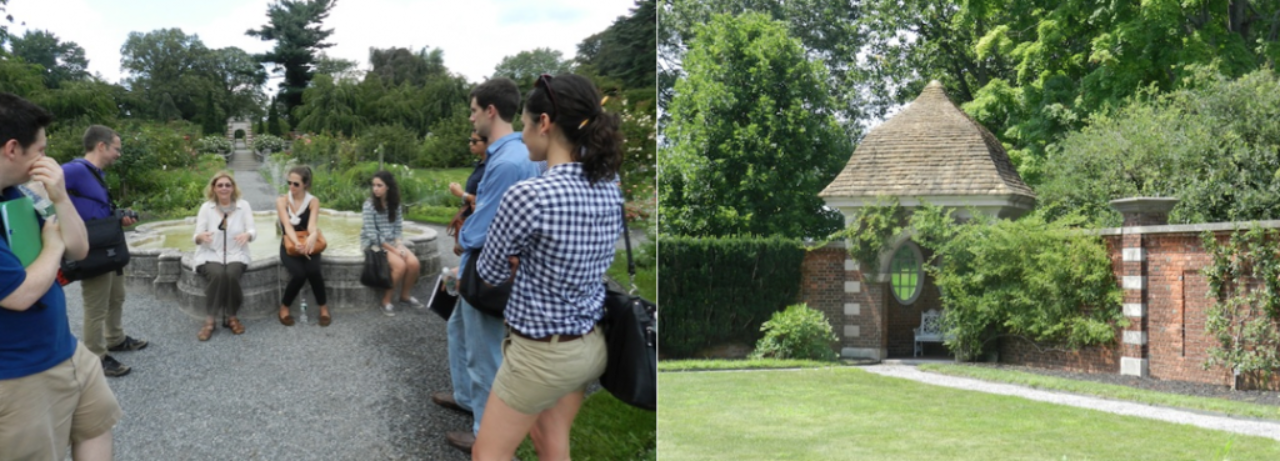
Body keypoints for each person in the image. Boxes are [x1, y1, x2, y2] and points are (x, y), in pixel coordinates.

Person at [471, 74, 625, 461]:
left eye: (524, 125)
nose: (522, 136)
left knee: (487, 455)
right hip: (590, 344)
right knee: (551, 443)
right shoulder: (610, 184)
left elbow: (488, 273)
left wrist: (516, 259)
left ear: (544, 123)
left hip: (542, 355)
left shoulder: (529, 196)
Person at [0, 92, 119, 461]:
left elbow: (80, 249)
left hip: (64, 350)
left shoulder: (17, 193)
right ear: (12, 148)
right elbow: (17, 295)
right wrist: (52, 246)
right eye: (41, 149)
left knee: (98, 423)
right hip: (19, 374)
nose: (46, 158)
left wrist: (61, 198)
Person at [436, 77, 543, 454]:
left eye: (473, 111)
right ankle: (466, 397)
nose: (470, 119)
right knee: (459, 329)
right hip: (486, 264)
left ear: (491, 111)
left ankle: (486, 434)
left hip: (488, 268)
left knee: (485, 355)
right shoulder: (511, 156)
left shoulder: (507, 162)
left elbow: (483, 228)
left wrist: (463, 243)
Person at [63, 124, 147, 378]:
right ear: (101, 146)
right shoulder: (74, 170)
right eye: (116, 149)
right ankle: (95, 356)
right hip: (92, 249)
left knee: (116, 296)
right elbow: (39, 189)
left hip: (107, 246)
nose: (118, 154)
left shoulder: (93, 173)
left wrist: (116, 219)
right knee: (96, 306)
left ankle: (115, 338)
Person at [192, 171, 256, 341]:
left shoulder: (244, 206)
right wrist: (201, 237)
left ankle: (232, 316)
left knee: (231, 274)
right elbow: (196, 235)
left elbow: (252, 230)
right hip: (211, 253)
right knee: (218, 274)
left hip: (237, 253)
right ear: (213, 188)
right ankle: (210, 320)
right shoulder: (206, 208)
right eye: (220, 185)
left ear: (233, 187)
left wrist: (247, 235)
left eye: (228, 185)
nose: (224, 188)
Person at [275, 165, 331, 327]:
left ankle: (323, 308)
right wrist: (297, 243)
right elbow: (286, 225)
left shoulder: (313, 201)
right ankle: (284, 307)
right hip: (289, 242)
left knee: (313, 270)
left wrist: (313, 235)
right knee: (299, 274)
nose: (291, 187)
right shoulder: (281, 201)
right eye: (289, 183)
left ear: (305, 184)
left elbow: (312, 225)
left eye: (296, 184)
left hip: (308, 241)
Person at [361, 170, 422, 316]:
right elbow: (372, 235)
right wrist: (394, 251)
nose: (375, 188)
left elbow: (398, 228)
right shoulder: (369, 206)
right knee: (400, 265)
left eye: (379, 185)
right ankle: (386, 301)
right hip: (373, 244)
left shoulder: (395, 205)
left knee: (414, 263)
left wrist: (399, 244)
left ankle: (404, 296)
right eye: (374, 185)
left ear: (388, 187)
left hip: (391, 243)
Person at [446, 130, 488, 245]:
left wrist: (461, 194)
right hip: (470, 221)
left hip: (477, 225)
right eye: (470, 140)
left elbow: (486, 200)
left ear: (487, 142)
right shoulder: (480, 164)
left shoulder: (489, 167)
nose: (470, 144)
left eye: (474, 141)